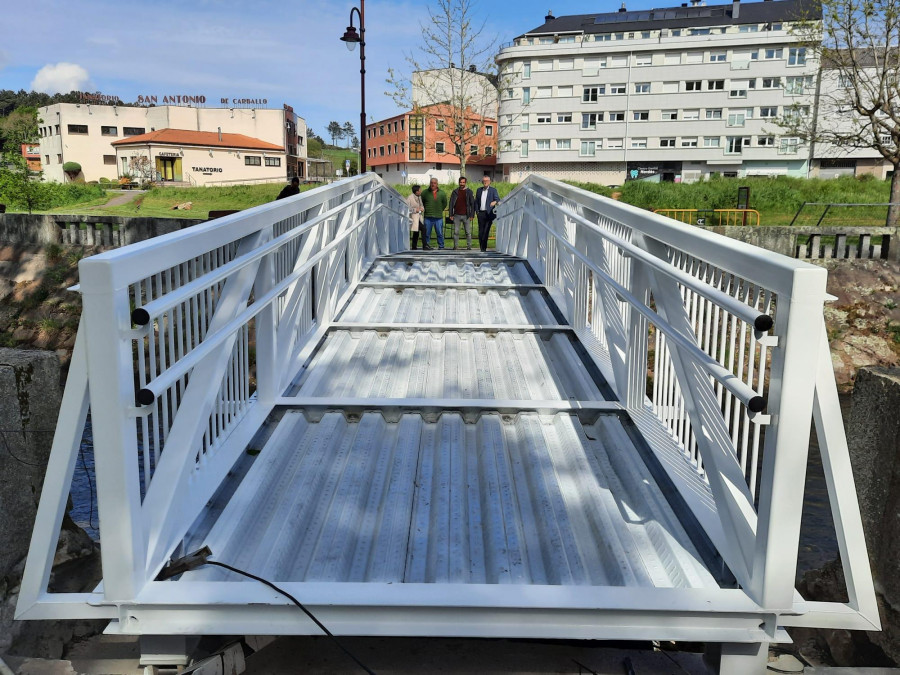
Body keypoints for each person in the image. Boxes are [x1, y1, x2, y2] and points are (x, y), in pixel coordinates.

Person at [448, 176, 476, 250]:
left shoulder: (469, 192)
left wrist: (472, 214)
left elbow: (472, 204)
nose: (462, 184)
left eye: (463, 182)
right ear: (459, 182)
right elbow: (451, 203)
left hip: (466, 215)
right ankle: (456, 246)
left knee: (468, 232)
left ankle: (469, 246)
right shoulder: (455, 192)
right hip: (456, 215)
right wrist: (450, 214)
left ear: (465, 183)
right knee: (456, 232)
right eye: (461, 182)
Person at [420, 177, 448, 249]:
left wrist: (439, 210)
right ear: (430, 183)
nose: (433, 184)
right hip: (428, 217)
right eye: (431, 183)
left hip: (438, 217)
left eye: (434, 183)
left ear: (437, 184)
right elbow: (421, 202)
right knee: (427, 233)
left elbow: (445, 203)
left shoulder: (442, 193)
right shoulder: (425, 193)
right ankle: (426, 245)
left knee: (440, 233)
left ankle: (441, 246)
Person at [475, 175, 500, 252]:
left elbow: (498, 199)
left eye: (486, 181)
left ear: (489, 182)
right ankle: (481, 247)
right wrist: (477, 212)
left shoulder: (493, 190)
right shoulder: (479, 190)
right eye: (484, 181)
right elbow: (476, 202)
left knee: (486, 231)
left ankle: (483, 248)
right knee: (481, 232)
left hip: (489, 213)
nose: (485, 182)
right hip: (481, 213)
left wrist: (494, 202)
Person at [406, 184, 426, 250]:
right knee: (423, 229)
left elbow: (422, 205)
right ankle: (425, 245)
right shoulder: (410, 198)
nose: (421, 191)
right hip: (413, 218)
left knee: (416, 232)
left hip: (419, 217)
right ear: (416, 191)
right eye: (420, 190)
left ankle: (414, 246)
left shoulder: (419, 197)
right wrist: (415, 210)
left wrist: (422, 208)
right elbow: (407, 208)